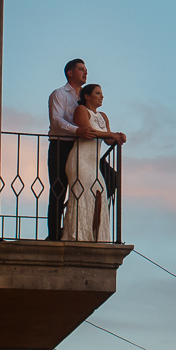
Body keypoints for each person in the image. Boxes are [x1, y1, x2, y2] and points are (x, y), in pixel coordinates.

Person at [64, 82, 125, 242]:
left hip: (93, 162)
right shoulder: (81, 110)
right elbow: (87, 132)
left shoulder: (102, 116)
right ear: (87, 96)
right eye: (97, 93)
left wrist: (117, 136)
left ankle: (95, 236)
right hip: (80, 159)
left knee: (100, 195)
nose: (101, 96)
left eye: (101, 93)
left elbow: (108, 141)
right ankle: (77, 235)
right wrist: (112, 135)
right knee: (82, 195)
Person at [46, 59, 86, 240]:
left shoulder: (85, 97)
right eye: (80, 69)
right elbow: (56, 120)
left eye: (86, 69)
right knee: (58, 189)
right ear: (70, 73)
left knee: (95, 183)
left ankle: (76, 225)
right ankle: (54, 234)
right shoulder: (59, 94)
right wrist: (77, 130)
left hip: (82, 147)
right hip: (61, 144)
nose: (85, 72)